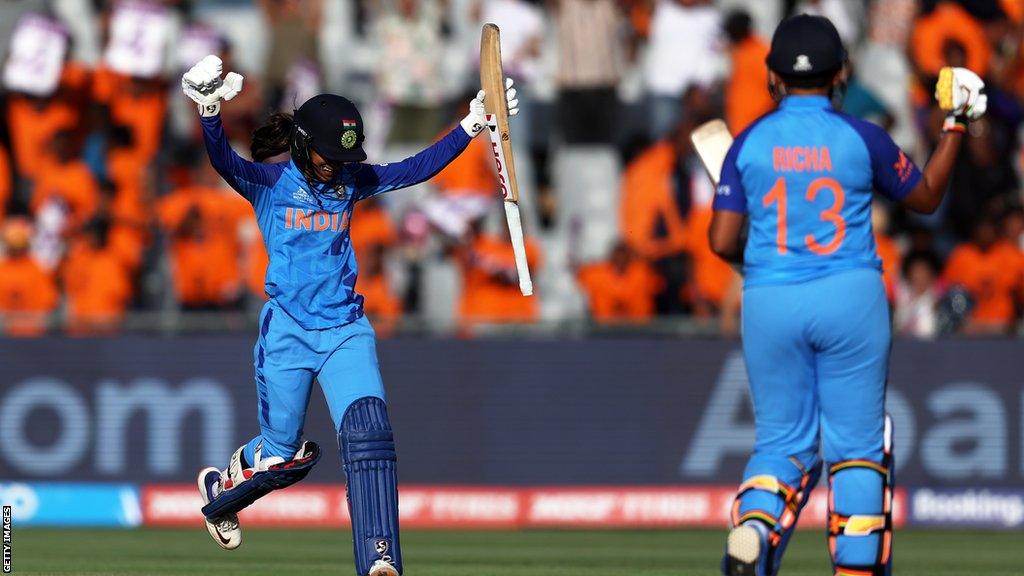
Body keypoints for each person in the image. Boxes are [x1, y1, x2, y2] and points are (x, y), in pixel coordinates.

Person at [181, 55, 518, 576]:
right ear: (300, 145)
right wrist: (208, 110)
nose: (334, 168)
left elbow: (414, 170)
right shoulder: (269, 184)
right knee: (281, 458)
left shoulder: (349, 180)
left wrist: (472, 124)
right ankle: (222, 489)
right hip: (288, 332)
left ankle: (379, 560)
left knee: (370, 434)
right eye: (324, 158)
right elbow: (224, 160)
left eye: (343, 159)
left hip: (345, 330)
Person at [707, 15, 986, 576]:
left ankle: (756, 529)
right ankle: (855, 568)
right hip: (850, 296)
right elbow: (927, 197)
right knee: (856, 450)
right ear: (843, 74)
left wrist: (757, 260)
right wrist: (955, 124)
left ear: (772, 77)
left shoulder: (749, 142)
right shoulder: (863, 137)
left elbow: (719, 240)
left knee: (781, 444)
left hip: (770, 299)